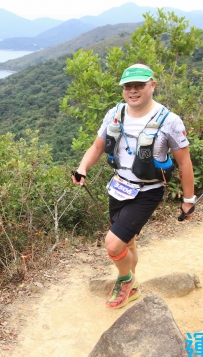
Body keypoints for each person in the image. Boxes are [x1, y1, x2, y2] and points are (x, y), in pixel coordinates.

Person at [72, 64, 196, 309]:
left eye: (139, 85)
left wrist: (188, 200)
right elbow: (97, 147)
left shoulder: (169, 121)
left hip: (147, 191)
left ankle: (125, 280)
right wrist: (82, 167)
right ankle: (133, 284)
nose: (133, 91)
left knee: (113, 244)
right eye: (128, 86)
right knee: (127, 242)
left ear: (153, 85)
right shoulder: (115, 113)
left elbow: (184, 162)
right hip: (119, 186)